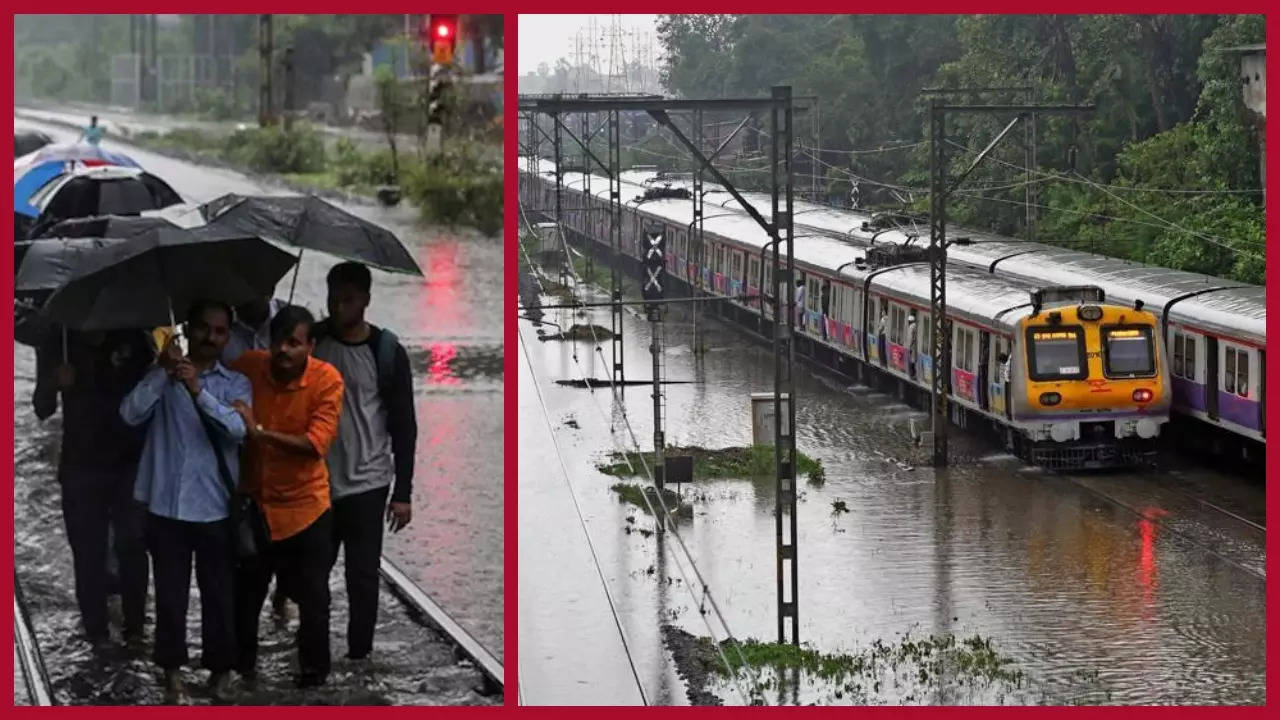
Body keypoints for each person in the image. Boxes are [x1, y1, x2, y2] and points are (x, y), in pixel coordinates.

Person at [120, 300, 252, 704]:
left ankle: (219, 671)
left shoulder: (235, 383)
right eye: (204, 329)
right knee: (171, 596)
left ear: (228, 336)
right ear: (189, 329)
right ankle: (172, 672)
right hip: (167, 506)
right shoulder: (160, 376)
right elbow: (129, 414)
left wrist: (199, 391)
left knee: (218, 595)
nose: (210, 338)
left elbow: (237, 430)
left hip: (214, 506)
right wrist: (164, 374)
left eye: (219, 331)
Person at [230, 306, 344, 688]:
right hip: (256, 505)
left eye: (294, 343)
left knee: (314, 601)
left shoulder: (327, 380)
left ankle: (314, 679)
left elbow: (316, 444)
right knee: (246, 598)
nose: (284, 350)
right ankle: (242, 670)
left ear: (311, 346)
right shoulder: (248, 366)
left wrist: (259, 434)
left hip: (305, 509)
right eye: (279, 341)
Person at [313, 262, 417, 661]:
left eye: (349, 300)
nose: (339, 308)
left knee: (362, 577)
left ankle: (359, 655)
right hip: (316, 482)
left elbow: (404, 426)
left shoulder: (386, 352)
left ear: (366, 301)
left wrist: (403, 493)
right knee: (312, 576)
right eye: (333, 299)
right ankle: (315, 657)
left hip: (368, 483)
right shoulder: (313, 341)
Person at [34, 327, 153, 651]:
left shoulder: (134, 336)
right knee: (88, 552)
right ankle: (96, 633)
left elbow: (152, 393)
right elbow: (42, 408)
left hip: (129, 461)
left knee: (132, 543)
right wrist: (54, 383)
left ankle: (136, 629)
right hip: (81, 465)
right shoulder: (58, 340)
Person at [221, 295, 293, 619]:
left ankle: (283, 591)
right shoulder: (222, 328)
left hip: (281, 448)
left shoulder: (292, 320)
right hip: (236, 448)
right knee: (244, 544)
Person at [906, 311, 918, 378]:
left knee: (911, 360)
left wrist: (909, 346)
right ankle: (914, 373)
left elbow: (910, 337)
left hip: (912, 346)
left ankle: (912, 374)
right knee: (914, 360)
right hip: (915, 345)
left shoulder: (911, 327)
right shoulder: (915, 326)